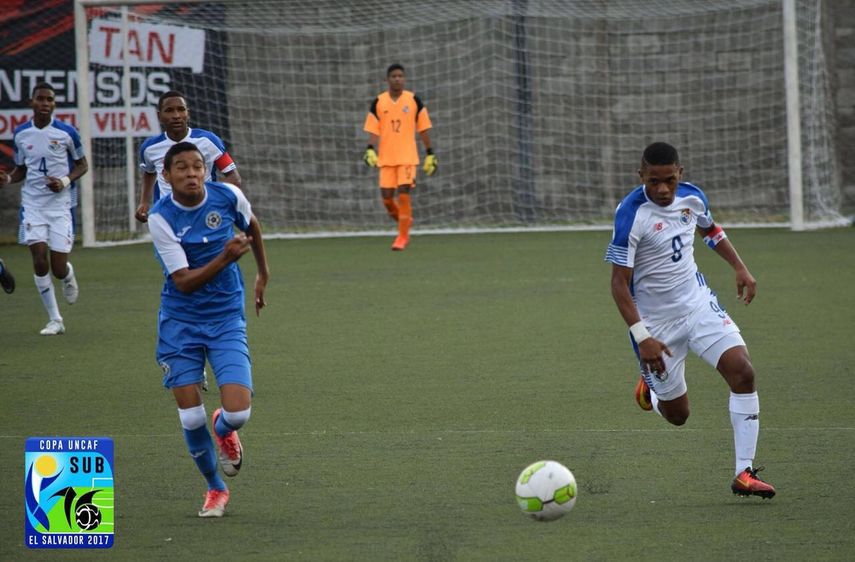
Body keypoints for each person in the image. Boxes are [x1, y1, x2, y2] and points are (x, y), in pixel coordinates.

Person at [606, 142, 775, 499]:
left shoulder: (693, 197)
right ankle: (651, 393)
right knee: (678, 416)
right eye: (653, 181)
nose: (662, 189)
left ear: (680, 174)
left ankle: (743, 472)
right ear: (641, 176)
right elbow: (618, 284)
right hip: (655, 326)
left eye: (669, 180)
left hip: (698, 305)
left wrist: (740, 267)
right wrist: (642, 336)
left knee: (743, 371)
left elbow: (709, 230)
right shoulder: (631, 215)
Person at [147, 141, 269, 517]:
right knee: (190, 417)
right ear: (167, 175)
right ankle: (216, 488)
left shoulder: (227, 196)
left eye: (198, 166)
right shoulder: (161, 217)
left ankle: (224, 428)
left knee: (239, 413)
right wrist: (225, 257)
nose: (191, 173)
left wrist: (262, 274)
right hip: (181, 322)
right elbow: (183, 281)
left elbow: (251, 224)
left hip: (225, 316)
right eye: (182, 168)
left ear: (206, 170)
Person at [0, 82, 88, 335]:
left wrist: (64, 181)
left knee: (58, 269)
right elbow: (21, 169)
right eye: (40, 99)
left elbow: (82, 165)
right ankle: (55, 320)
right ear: (31, 102)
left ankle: (68, 275)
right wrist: (8, 179)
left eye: (50, 99)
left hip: (60, 207)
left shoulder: (67, 133)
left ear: (54, 104)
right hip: (33, 205)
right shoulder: (21, 134)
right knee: (39, 261)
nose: (45, 103)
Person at [135, 90, 241, 223]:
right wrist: (144, 202)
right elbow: (149, 172)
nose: (176, 115)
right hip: (167, 217)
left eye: (181, 109)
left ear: (188, 113)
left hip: (204, 214)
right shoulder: (149, 148)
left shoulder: (209, 141)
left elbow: (234, 177)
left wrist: (211, 200)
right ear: (159, 116)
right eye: (169, 110)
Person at [363, 63, 436, 251]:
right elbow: (373, 128)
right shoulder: (379, 102)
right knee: (387, 199)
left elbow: (423, 128)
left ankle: (402, 237)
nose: (397, 79)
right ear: (387, 79)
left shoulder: (413, 100)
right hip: (387, 158)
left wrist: (430, 153)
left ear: (404, 79)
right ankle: (405, 221)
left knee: (403, 193)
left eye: (400, 76)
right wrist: (370, 148)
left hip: (407, 157)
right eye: (394, 76)